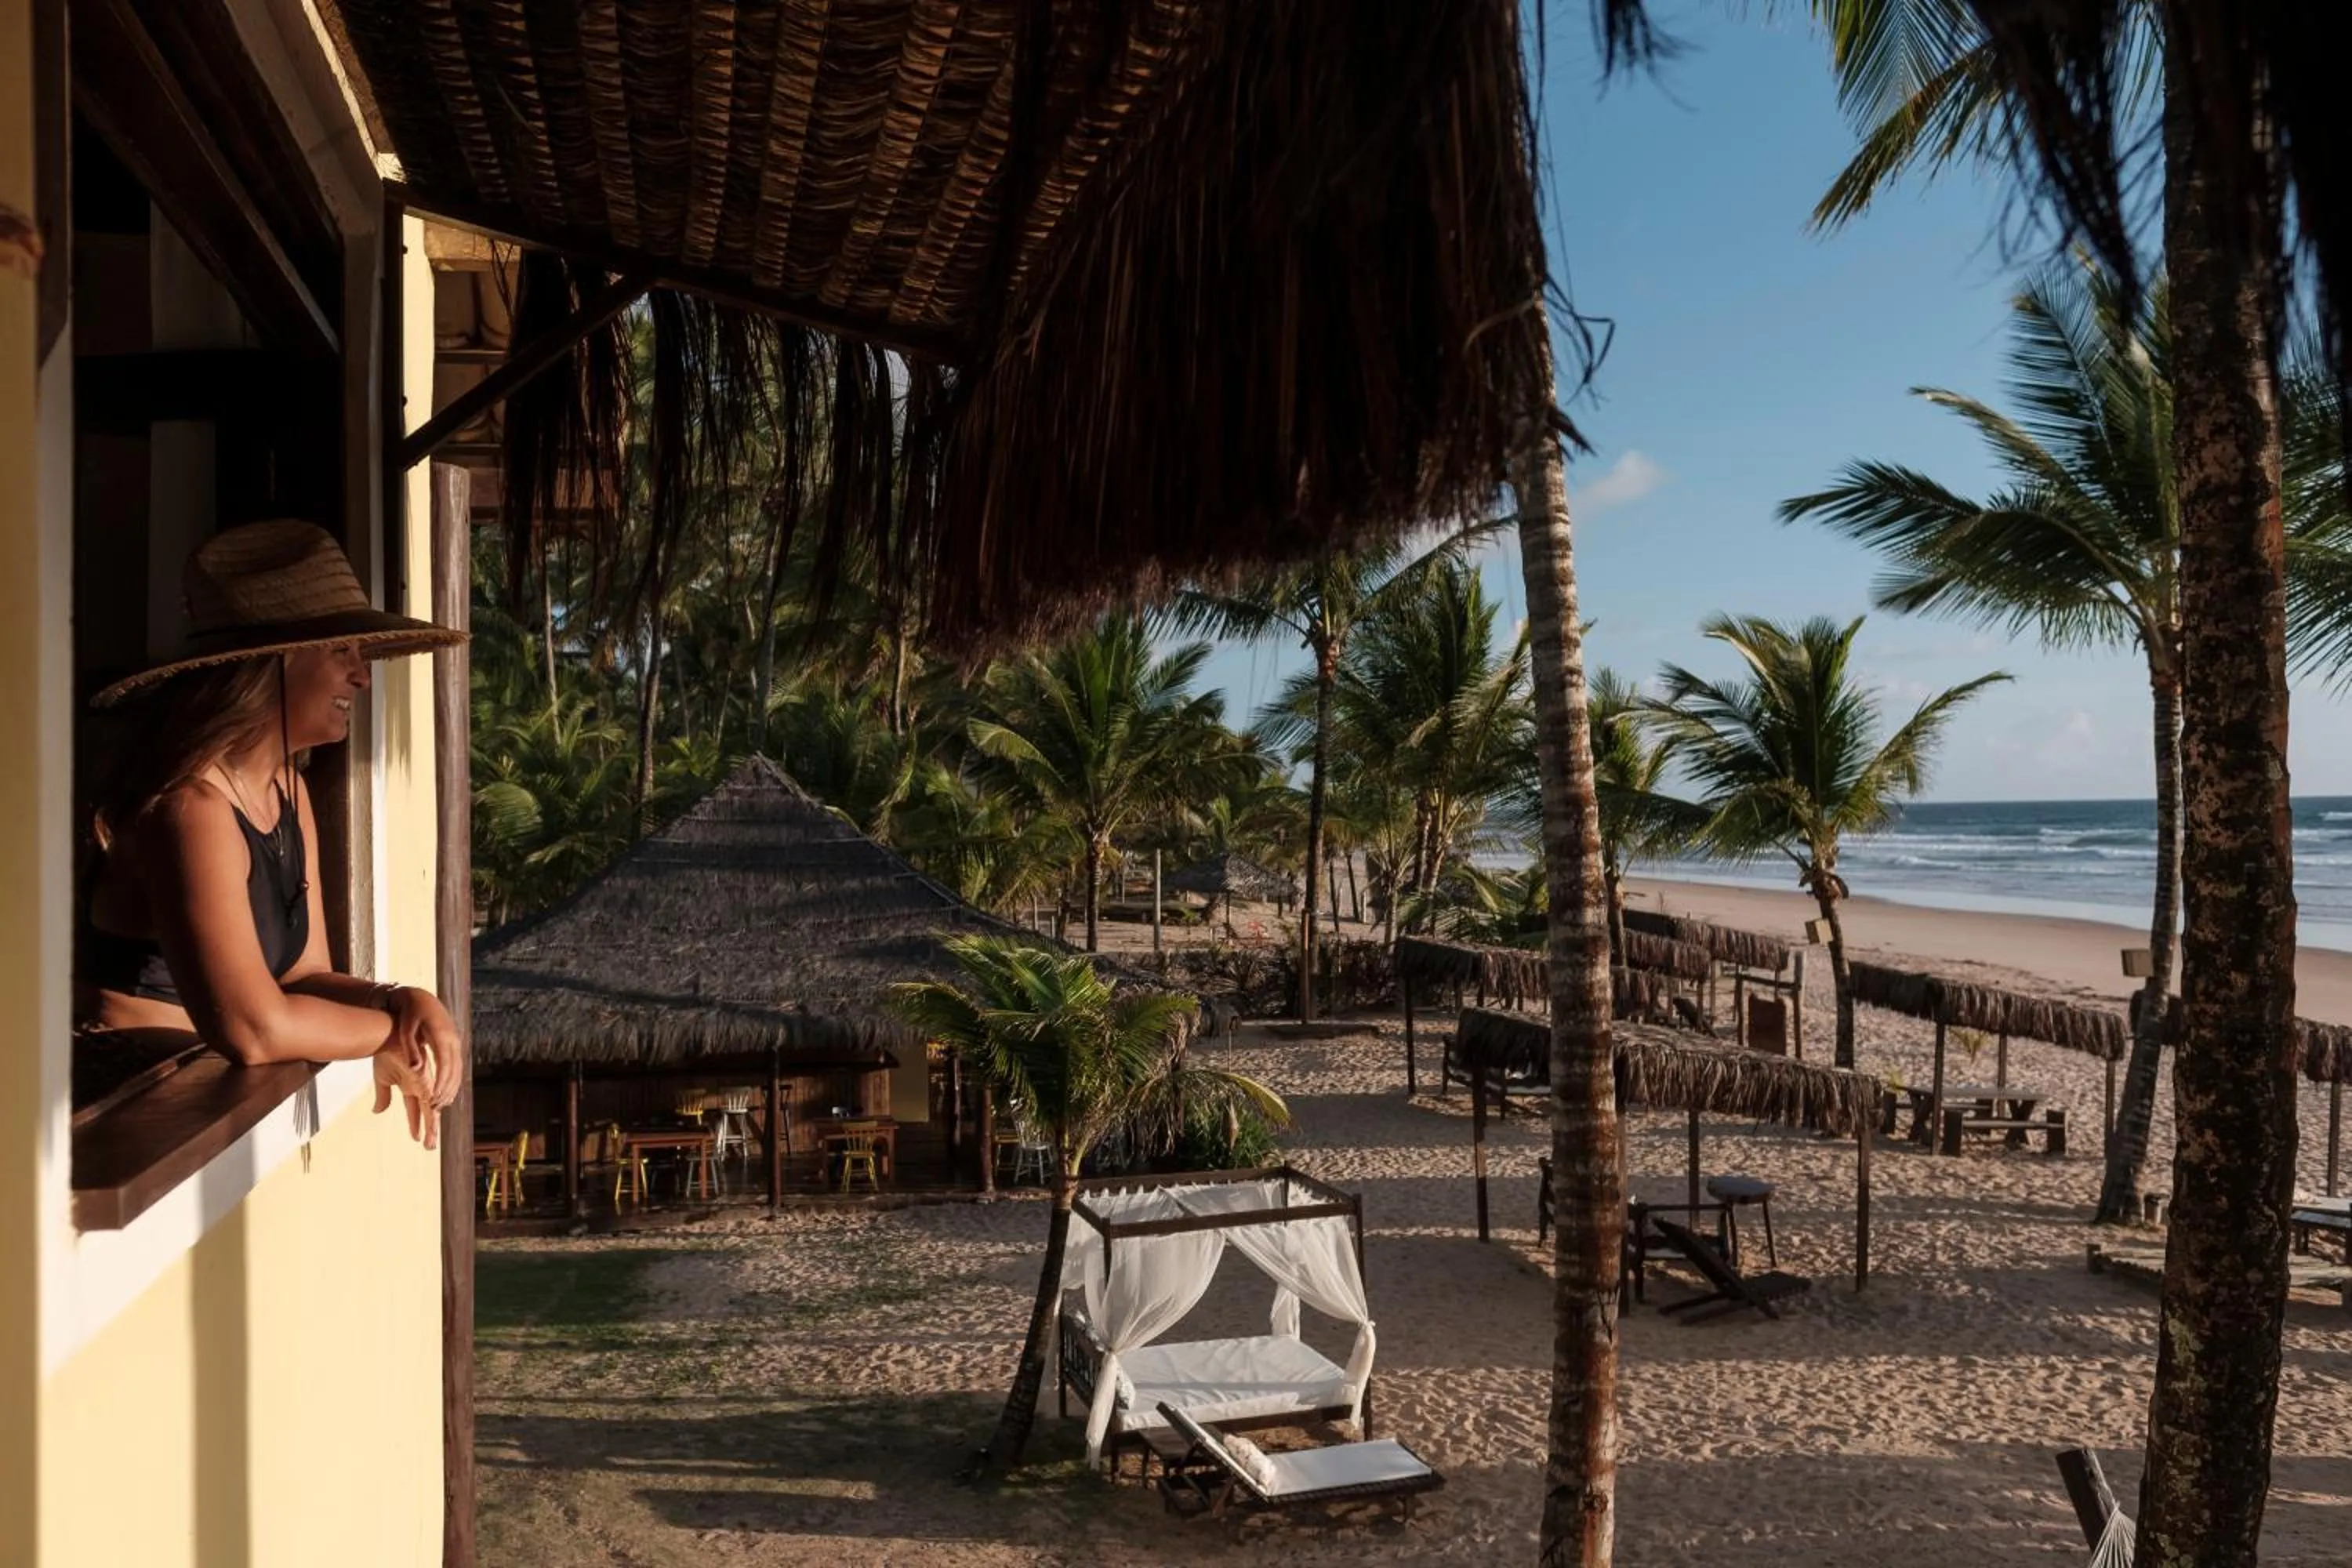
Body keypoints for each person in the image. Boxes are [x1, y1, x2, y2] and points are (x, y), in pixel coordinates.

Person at [78, 520, 470, 1146]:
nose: (361, 677)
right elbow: (254, 1029)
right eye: (342, 651)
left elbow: (303, 976)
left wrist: (400, 999)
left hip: (190, 1087)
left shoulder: (287, 789)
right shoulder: (189, 808)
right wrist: (395, 1032)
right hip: (122, 1095)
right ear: (274, 663)